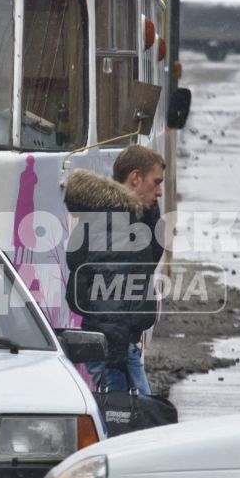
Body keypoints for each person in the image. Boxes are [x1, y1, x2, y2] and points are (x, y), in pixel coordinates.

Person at [64, 146, 167, 395]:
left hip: (118, 345)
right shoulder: (115, 225)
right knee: (134, 425)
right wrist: (117, 353)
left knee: (126, 419)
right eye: (155, 183)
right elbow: (113, 297)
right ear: (135, 178)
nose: (160, 192)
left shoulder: (127, 219)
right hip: (116, 349)